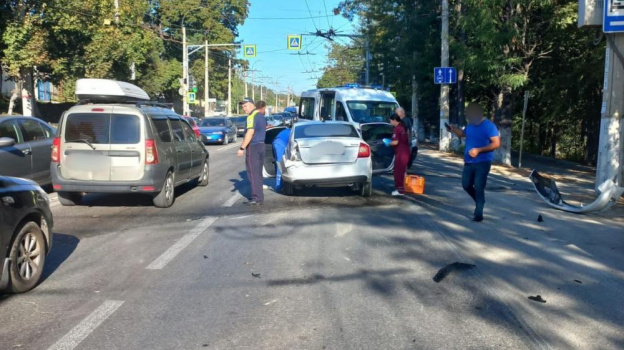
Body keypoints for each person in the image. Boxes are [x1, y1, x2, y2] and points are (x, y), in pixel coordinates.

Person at [449, 102, 501, 222]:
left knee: (478, 186)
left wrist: (479, 150)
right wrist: (453, 129)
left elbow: (496, 143)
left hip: (483, 162)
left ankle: (479, 213)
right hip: (469, 161)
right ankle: (480, 200)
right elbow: (463, 134)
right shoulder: (471, 125)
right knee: (466, 185)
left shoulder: (489, 126)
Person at [237, 98, 267, 205]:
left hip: (253, 147)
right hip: (261, 145)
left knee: (253, 173)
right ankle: (259, 197)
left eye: (245, 106)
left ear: (251, 105)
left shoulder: (251, 117)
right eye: (242, 107)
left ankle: (256, 198)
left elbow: (250, 133)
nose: (244, 109)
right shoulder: (261, 116)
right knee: (258, 173)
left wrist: (242, 148)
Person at [383, 113, 411, 196]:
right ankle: (401, 189)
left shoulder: (397, 129)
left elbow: (396, 142)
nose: (390, 122)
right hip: (405, 152)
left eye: (391, 121)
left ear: (395, 120)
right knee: (401, 171)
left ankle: (400, 190)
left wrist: (388, 143)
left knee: (398, 172)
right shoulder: (403, 127)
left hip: (401, 153)